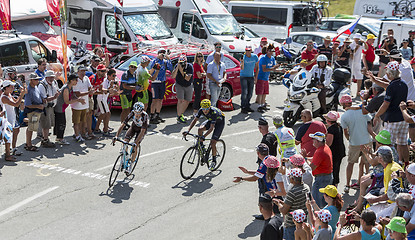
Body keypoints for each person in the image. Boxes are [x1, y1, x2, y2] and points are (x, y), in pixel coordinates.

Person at [373, 61, 410, 165]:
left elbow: (385, 104)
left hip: (392, 119)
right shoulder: (404, 84)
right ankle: (405, 164)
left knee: (389, 144)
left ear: (390, 73)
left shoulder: (391, 86)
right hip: (403, 118)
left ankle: (391, 166)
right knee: (403, 143)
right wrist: (374, 79)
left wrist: (377, 115)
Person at [340, 94, 372, 193]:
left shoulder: (344, 116)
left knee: (350, 163)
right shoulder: (362, 111)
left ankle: (347, 185)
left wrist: (349, 138)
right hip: (367, 140)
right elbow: (369, 121)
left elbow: (345, 131)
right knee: (367, 162)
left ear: (342, 104)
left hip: (354, 142)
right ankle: (368, 182)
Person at [183, 99, 225, 169]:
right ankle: (202, 146)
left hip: (219, 122)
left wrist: (204, 136)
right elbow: (194, 120)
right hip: (211, 120)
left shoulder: (213, 113)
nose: (205, 111)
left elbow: (211, 128)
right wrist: (188, 130)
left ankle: (214, 161)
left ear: (209, 107)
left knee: (213, 142)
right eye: (203, 109)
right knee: (200, 129)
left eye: (207, 109)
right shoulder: (200, 110)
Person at [274, 168, 310, 240]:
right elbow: (295, 203)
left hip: (291, 225)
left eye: (289, 177)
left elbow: (284, 211)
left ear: (293, 178)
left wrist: (278, 204)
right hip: (303, 222)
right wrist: (283, 203)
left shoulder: (292, 193)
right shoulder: (306, 188)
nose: (289, 178)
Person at [113, 102, 148, 174]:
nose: (137, 115)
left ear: (142, 112)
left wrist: (135, 142)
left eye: (139, 113)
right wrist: (116, 136)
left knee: (135, 146)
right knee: (125, 141)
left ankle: (131, 165)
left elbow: (142, 132)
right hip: (133, 127)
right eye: (136, 113)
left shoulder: (145, 116)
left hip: (141, 130)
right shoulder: (132, 113)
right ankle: (124, 156)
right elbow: (123, 124)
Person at [54, 74, 84, 145]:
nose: (77, 81)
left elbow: (72, 96)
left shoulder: (70, 87)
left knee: (61, 122)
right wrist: (78, 100)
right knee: (62, 123)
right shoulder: (66, 88)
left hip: (62, 107)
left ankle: (59, 137)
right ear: (71, 80)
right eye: (75, 80)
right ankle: (60, 139)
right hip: (60, 107)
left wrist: (78, 99)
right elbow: (67, 101)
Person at [0, 80, 26, 161]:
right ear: (6, 88)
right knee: (7, 138)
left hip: (12, 118)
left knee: (15, 132)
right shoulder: (4, 97)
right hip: (6, 120)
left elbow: (15, 101)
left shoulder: (9, 95)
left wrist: (21, 95)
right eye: (11, 86)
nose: (13, 88)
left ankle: (12, 149)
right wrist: (22, 95)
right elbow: (16, 104)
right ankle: (8, 154)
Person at [307, 132, 333, 208]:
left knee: (317, 202)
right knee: (324, 200)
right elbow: (315, 159)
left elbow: (311, 167)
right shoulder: (324, 148)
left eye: (313, 139)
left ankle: (319, 217)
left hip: (321, 179)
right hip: (326, 177)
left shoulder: (320, 152)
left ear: (317, 141)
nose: (312, 141)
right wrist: (305, 158)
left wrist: (304, 161)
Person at [149, 48, 172, 124]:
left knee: (160, 99)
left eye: (163, 53)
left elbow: (170, 68)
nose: (162, 55)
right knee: (154, 99)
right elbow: (151, 67)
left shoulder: (165, 62)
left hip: (162, 82)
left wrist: (168, 59)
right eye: (161, 53)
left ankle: (157, 114)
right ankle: (152, 116)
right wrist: (157, 58)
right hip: (155, 82)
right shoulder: (154, 61)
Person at [72, 65, 93, 143]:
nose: (83, 73)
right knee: (77, 121)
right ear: (78, 72)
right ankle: (77, 135)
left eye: (84, 71)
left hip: (85, 103)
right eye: (81, 71)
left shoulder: (86, 78)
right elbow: (77, 93)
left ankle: (83, 134)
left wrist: (90, 90)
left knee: (83, 120)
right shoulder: (75, 80)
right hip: (77, 104)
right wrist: (89, 92)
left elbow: (89, 87)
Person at [38, 71, 59, 148]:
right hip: (45, 107)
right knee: (46, 125)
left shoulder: (54, 82)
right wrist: (54, 97)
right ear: (46, 77)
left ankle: (45, 138)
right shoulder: (42, 85)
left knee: (49, 124)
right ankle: (45, 140)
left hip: (52, 106)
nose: (52, 79)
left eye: (53, 77)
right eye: (50, 77)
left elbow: (56, 90)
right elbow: (44, 99)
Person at [324, 111, 345, 186]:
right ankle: (335, 184)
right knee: (337, 169)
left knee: (334, 170)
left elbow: (329, 143)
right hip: (340, 151)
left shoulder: (331, 130)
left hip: (334, 153)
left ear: (328, 121)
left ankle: (333, 185)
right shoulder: (338, 126)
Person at [24, 73, 45, 151]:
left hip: (36, 111)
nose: (38, 81)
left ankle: (28, 143)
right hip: (32, 111)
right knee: (31, 127)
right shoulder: (28, 90)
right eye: (36, 79)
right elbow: (28, 104)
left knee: (32, 127)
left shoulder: (35, 87)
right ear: (31, 80)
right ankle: (28, 145)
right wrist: (38, 106)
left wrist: (42, 99)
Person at [256, 44, 278, 113]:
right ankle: (259, 106)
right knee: (260, 93)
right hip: (261, 77)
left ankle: (263, 105)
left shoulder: (272, 58)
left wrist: (280, 70)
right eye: (270, 50)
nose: (271, 52)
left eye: (273, 51)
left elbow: (274, 68)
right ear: (267, 51)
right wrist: (273, 68)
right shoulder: (263, 58)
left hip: (266, 78)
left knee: (265, 92)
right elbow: (264, 69)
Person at [172, 55, 193, 123]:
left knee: (187, 100)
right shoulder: (177, 66)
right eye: (181, 62)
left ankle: (181, 114)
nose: (182, 64)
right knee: (180, 100)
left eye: (183, 62)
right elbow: (173, 76)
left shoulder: (189, 67)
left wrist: (181, 71)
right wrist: (177, 67)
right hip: (179, 84)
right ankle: (179, 116)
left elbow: (187, 78)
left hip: (188, 84)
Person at [240, 45, 258, 113]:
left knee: (250, 93)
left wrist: (256, 77)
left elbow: (257, 67)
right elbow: (242, 68)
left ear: (251, 50)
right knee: (244, 92)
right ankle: (243, 106)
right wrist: (242, 62)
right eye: (246, 50)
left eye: (249, 50)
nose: (247, 52)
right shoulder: (243, 57)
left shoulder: (254, 57)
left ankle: (247, 105)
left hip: (251, 76)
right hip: (243, 76)